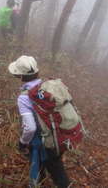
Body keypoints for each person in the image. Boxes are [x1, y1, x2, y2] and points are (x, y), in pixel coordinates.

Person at [8, 55, 71, 188]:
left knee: (53, 171)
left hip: (43, 142)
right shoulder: (47, 86)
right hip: (60, 136)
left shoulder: (24, 98)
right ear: (37, 71)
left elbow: (30, 127)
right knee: (55, 165)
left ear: (20, 77)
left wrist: (22, 142)